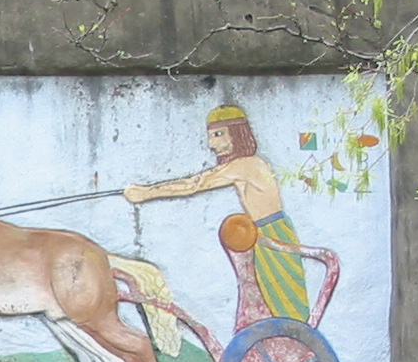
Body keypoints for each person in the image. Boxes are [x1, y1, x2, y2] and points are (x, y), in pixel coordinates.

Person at [123, 105, 310, 322]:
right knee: (270, 298)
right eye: (211, 136)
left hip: (272, 234)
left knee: (284, 299)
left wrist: (146, 193)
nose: (212, 144)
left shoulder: (247, 165)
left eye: (218, 135)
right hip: (266, 233)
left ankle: (292, 338)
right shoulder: (248, 164)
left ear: (237, 133)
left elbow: (195, 184)